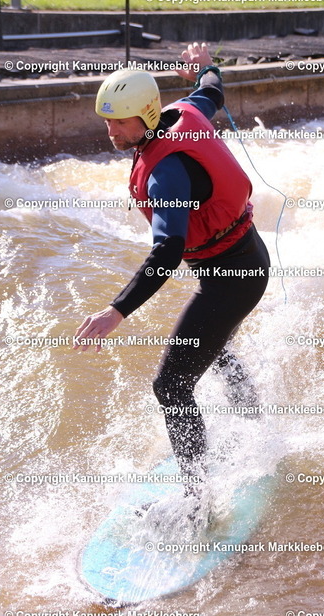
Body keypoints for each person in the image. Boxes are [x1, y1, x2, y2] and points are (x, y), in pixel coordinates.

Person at [74, 42, 270, 505]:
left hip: (234, 276)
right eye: (106, 120)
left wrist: (116, 311)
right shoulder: (182, 112)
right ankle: (256, 426)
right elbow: (212, 90)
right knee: (213, 348)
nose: (111, 131)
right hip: (240, 263)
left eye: (120, 122)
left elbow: (167, 250)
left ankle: (198, 500)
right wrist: (204, 67)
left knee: (170, 385)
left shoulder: (167, 173)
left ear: (146, 115)